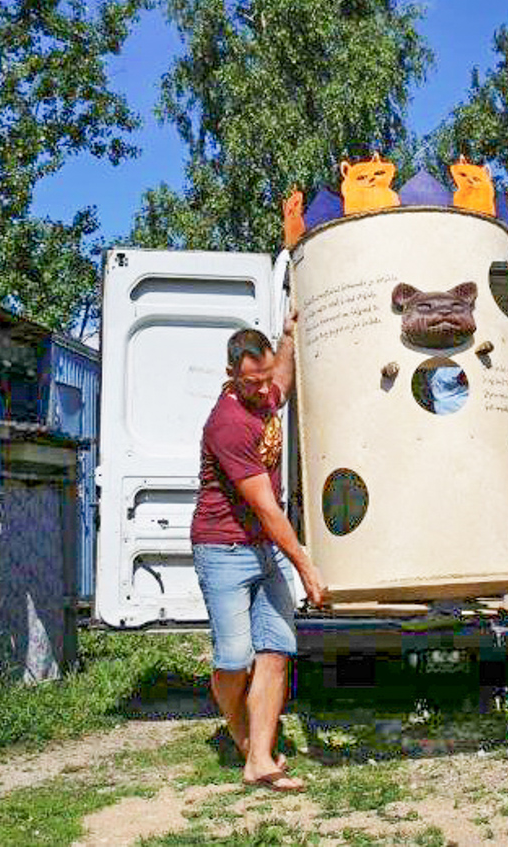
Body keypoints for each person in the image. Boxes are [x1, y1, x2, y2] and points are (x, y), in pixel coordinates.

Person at [190, 315, 328, 793]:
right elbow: (267, 510)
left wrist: (287, 339)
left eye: (265, 377)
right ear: (232, 376)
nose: (263, 389)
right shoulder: (227, 424)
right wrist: (306, 565)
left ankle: (261, 760)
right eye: (253, 383)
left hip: (261, 551)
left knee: (275, 651)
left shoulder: (266, 387)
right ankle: (239, 730)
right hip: (222, 549)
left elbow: (283, 382)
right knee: (234, 658)